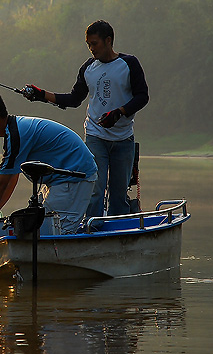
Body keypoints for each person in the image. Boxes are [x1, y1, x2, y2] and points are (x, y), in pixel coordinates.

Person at [22, 20, 148, 217]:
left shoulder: (129, 64)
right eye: (88, 44)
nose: (91, 49)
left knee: (119, 193)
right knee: (95, 188)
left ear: (108, 40)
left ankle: (117, 231)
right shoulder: (88, 68)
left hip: (123, 138)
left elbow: (142, 96)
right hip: (95, 136)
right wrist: (41, 95)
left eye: (95, 43)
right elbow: (73, 99)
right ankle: (92, 227)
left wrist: (119, 112)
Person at [0, 91, 97, 238]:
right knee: (41, 227)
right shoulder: (13, 132)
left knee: (56, 233)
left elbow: (1, 184)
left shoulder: (16, 135)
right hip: (61, 181)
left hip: (74, 178)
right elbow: (10, 181)